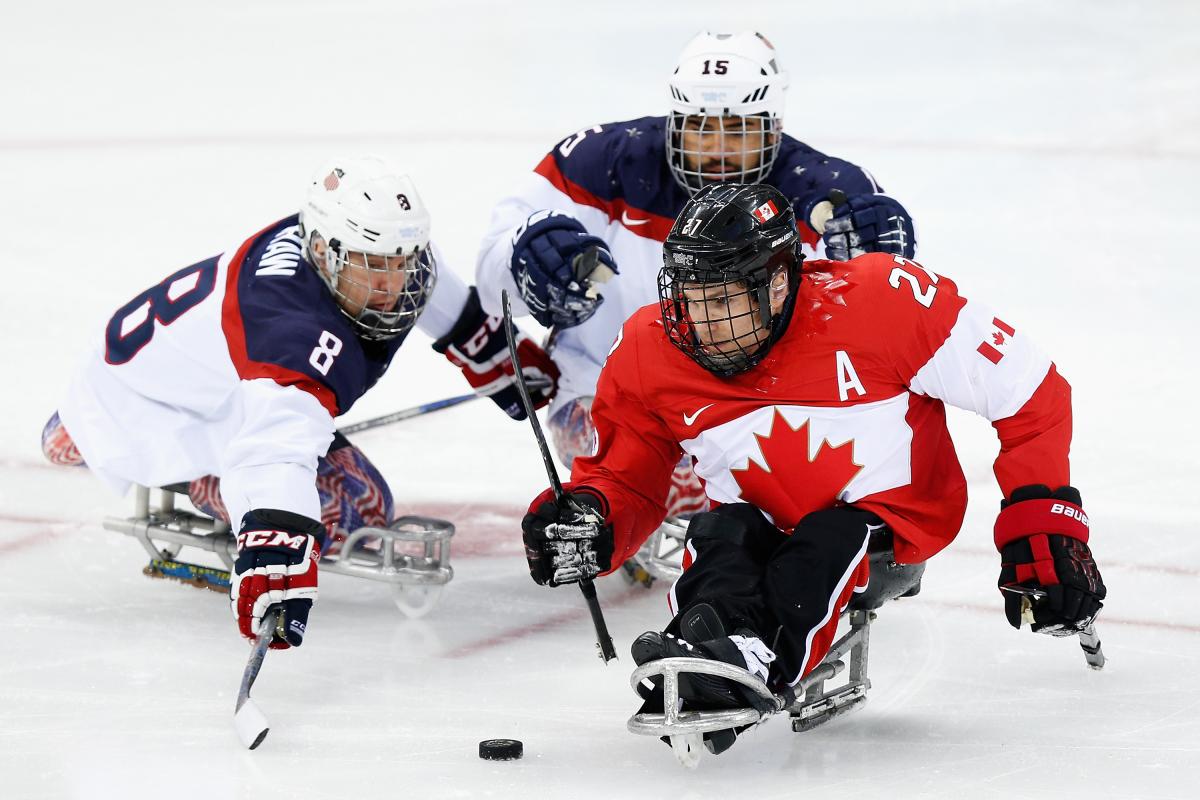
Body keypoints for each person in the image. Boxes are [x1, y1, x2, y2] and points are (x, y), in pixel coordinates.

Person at [519, 183, 1105, 754]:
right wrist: (592, 517)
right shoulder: (650, 346)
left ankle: (755, 656)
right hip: (754, 521)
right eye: (689, 300)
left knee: (830, 538)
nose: (701, 323)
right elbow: (628, 475)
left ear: (777, 283)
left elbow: (1029, 391)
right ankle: (704, 640)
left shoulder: (884, 302)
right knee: (721, 533)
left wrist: (1042, 524)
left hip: (887, 526)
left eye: (721, 301)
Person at [42, 155, 556, 650]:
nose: (390, 284)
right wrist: (273, 547)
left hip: (208, 384)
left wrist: (515, 370)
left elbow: (446, 305)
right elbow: (272, 452)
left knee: (354, 489)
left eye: (402, 262)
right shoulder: (290, 331)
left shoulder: (371, 247)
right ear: (322, 250)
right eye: (372, 267)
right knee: (353, 511)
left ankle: (93, 425)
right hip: (151, 411)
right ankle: (126, 445)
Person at [475, 30, 918, 527]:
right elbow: (491, 281)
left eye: (740, 130)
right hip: (607, 397)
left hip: (751, 409)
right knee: (664, 479)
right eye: (700, 128)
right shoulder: (602, 162)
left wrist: (878, 265)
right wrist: (528, 259)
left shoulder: (826, 188)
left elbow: (890, 328)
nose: (718, 150)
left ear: (774, 128)